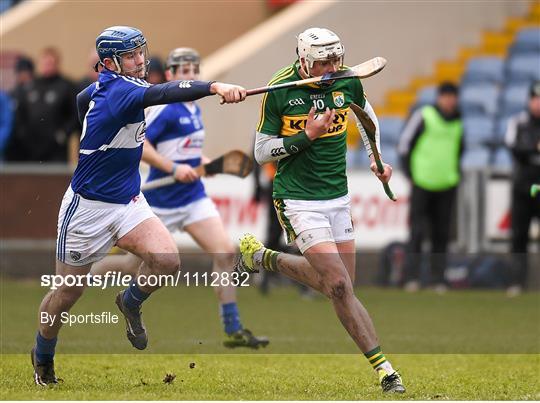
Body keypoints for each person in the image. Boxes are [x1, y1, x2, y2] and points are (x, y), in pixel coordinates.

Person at [31, 26, 246, 386]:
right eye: (131, 55)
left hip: (128, 201)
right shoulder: (121, 92)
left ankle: (130, 301)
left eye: (140, 52)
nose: (141, 60)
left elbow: (85, 100)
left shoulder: (103, 90)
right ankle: (43, 356)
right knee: (68, 292)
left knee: (167, 260)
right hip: (87, 208)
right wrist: (214, 87)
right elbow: (166, 91)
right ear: (111, 63)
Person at [236, 28, 405, 394]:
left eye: (336, 59)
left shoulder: (348, 81)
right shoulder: (280, 89)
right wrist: (306, 136)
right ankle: (385, 370)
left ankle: (263, 259)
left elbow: (365, 118)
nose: (332, 67)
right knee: (340, 285)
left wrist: (378, 160)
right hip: (296, 198)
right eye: (323, 62)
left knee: (341, 288)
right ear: (303, 60)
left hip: (337, 197)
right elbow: (262, 152)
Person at [91, 47, 267, 348]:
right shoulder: (165, 109)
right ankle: (76, 278)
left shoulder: (193, 108)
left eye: (193, 71)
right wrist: (174, 168)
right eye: (182, 72)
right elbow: (142, 147)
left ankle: (233, 328)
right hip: (159, 201)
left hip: (192, 198)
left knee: (225, 252)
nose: (190, 76)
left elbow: (186, 148)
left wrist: (202, 163)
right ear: (171, 76)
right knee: (130, 267)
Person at [397, 82, 464, 293]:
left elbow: (460, 150)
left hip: (447, 183)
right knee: (417, 232)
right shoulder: (424, 116)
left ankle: (438, 278)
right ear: (439, 97)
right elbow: (404, 145)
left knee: (441, 234)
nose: (449, 100)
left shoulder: (458, 122)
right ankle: (412, 277)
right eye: (446, 96)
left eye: (452, 96)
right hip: (423, 183)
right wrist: (410, 174)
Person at [6, 48, 78, 163]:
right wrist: (24, 135)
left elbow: (75, 115)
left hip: (56, 149)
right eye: (44, 63)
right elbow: (21, 114)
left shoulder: (67, 86)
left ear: (57, 64)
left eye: (50, 63)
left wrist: (64, 134)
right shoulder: (31, 86)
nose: (47, 66)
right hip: (31, 149)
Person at [505, 81, 540, 297]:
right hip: (524, 186)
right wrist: (534, 148)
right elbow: (514, 148)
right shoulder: (518, 122)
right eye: (535, 98)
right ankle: (517, 281)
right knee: (519, 236)